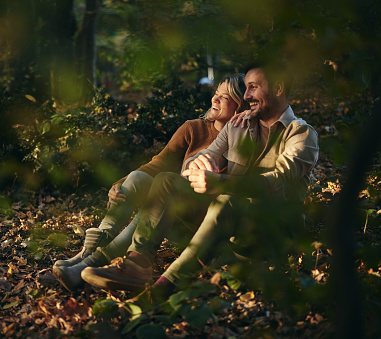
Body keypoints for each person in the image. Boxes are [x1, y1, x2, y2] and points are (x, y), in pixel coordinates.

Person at [80, 61, 319, 293]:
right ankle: (136, 265)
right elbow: (206, 154)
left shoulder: (301, 133)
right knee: (166, 181)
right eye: (245, 88)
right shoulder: (237, 125)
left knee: (225, 200)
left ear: (278, 88)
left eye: (253, 87)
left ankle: (166, 285)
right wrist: (198, 164)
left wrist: (220, 183)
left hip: (270, 234)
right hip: (224, 227)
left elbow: (276, 183)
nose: (246, 96)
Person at [53, 74, 250, 291]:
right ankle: (89, 254)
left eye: (225, 98)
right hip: (170, 211)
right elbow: (159, 163)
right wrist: (120, 183)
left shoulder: (245, 139)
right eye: (215, 94)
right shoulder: (194, 128)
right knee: (139, 178)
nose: (215, 100)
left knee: (157, 197)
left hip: (199, 223)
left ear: (241, 106)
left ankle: (88, 264)